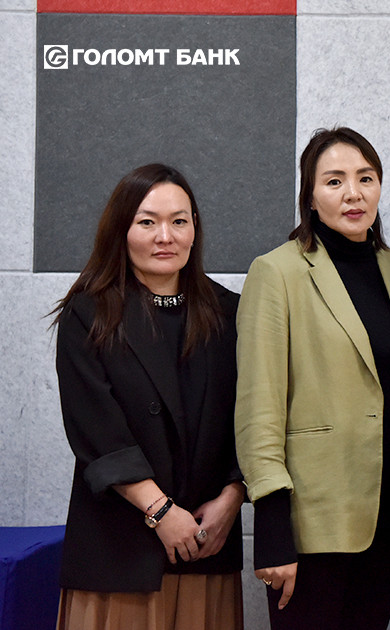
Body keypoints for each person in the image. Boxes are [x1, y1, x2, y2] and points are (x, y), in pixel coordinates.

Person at [234, 127, 390, 629]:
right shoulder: (277, 272)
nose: (353, 193)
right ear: (311, 196)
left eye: (366, 178)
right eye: (335, 181)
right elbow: (258, 410)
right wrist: (272, 529)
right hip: (311, 522)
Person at [53, 163, 245, 630]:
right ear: (121, 229)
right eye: (147, 222)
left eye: (179, 221)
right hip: (118, 550)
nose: (165, 236)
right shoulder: (88, 313)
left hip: (205, 543)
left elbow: (254, 418)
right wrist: (161, 512)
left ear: (195, 229)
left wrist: (234, 497)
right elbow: (96, 431)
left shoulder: (230, 313)